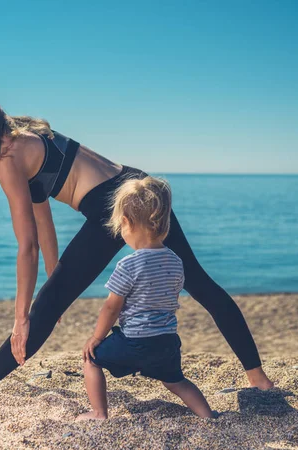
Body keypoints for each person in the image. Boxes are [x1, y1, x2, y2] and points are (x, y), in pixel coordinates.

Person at [0, 76, 274, 390]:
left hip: (111, 205)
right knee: (200, 283)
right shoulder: (27, 133)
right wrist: (57, 279)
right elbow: (43, 219)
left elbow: (26, 246)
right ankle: (258, 378)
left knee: (42, 309)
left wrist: (21, 317)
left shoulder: (8, 158)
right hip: (138, 184)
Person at [77, 176, 215, 421]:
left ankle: (99, 413)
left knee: (91, 360)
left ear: (127, 222)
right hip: (166, 342)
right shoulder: (175, 261)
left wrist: (97, 338)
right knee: (177, 382)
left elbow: (111, 308)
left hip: (134, 342)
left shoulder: (129, 264)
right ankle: (208, 416)